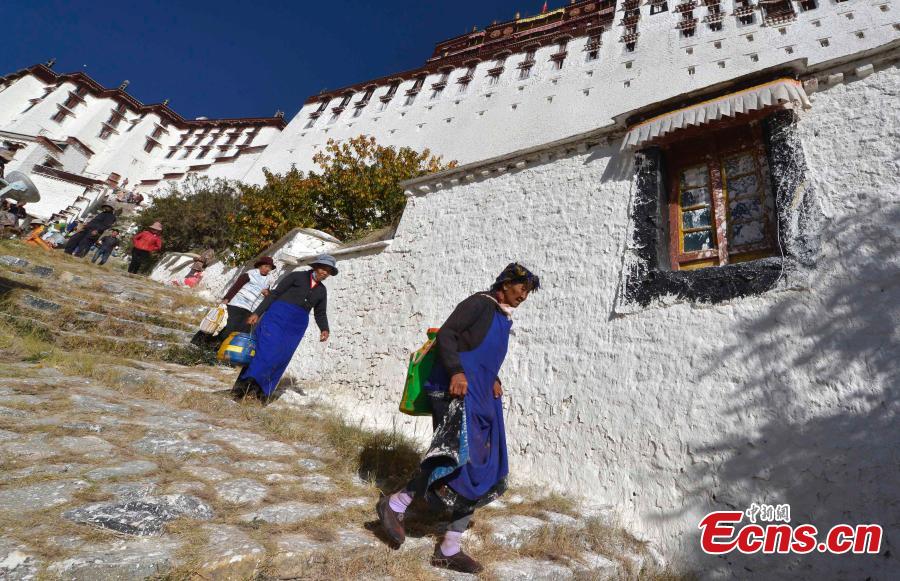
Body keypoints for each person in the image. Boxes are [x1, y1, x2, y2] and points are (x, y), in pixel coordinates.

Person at [376, 263, 541, 574]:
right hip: (456, 391)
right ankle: (396, 503)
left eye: (528, 291)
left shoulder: (502, 316)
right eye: (521, 288)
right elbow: (448, 335)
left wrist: (494, 377)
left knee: (484, 465)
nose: (524, 295)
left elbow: (481, 353)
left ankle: (449, 547)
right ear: (505, 283)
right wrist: (456, 372)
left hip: (482, 395)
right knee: (452, 456)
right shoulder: (479, 304)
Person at [232, 254, 336, 403]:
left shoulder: (321, 291)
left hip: (295, 327)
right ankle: (241, 390)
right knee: (263, 352)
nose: (325, 273)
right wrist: (257, 313)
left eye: (329, 271)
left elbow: (320, 312)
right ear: (316, 267)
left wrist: (324, 328)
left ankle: (260, 394)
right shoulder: (297, 276)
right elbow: (274, 295)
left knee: (280, 357)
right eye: (323, 269)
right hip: (276, 318)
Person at [191, 256, 277, 350]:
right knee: (223, 326)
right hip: (236, 305)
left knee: (237, 332)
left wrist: (267, 293)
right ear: (260, 265)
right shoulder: (249, 274)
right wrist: (226, 300)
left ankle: (218, 350)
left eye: (269, 267)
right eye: (265, 266)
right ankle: (199, 343)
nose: (267, 269)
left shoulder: (268, 282)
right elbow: (235, 287)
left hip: (250, 310)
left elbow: (267, 297)